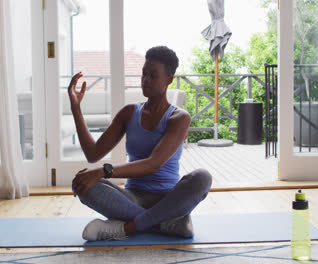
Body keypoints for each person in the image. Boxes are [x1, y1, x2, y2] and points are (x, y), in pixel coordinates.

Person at [68, 46, 212, 241]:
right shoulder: (129, 113)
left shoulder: (179, 118)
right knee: (83, 183)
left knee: (202, 177)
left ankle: (126, 228)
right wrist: (76, 108)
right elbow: (93, 153)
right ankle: (169, 223)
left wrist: (102, 171)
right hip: (132, 198)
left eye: (153, 76)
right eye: (144, 74)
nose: (145, 80)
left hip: (168, 199)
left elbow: (153, 164)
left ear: (169, 78)